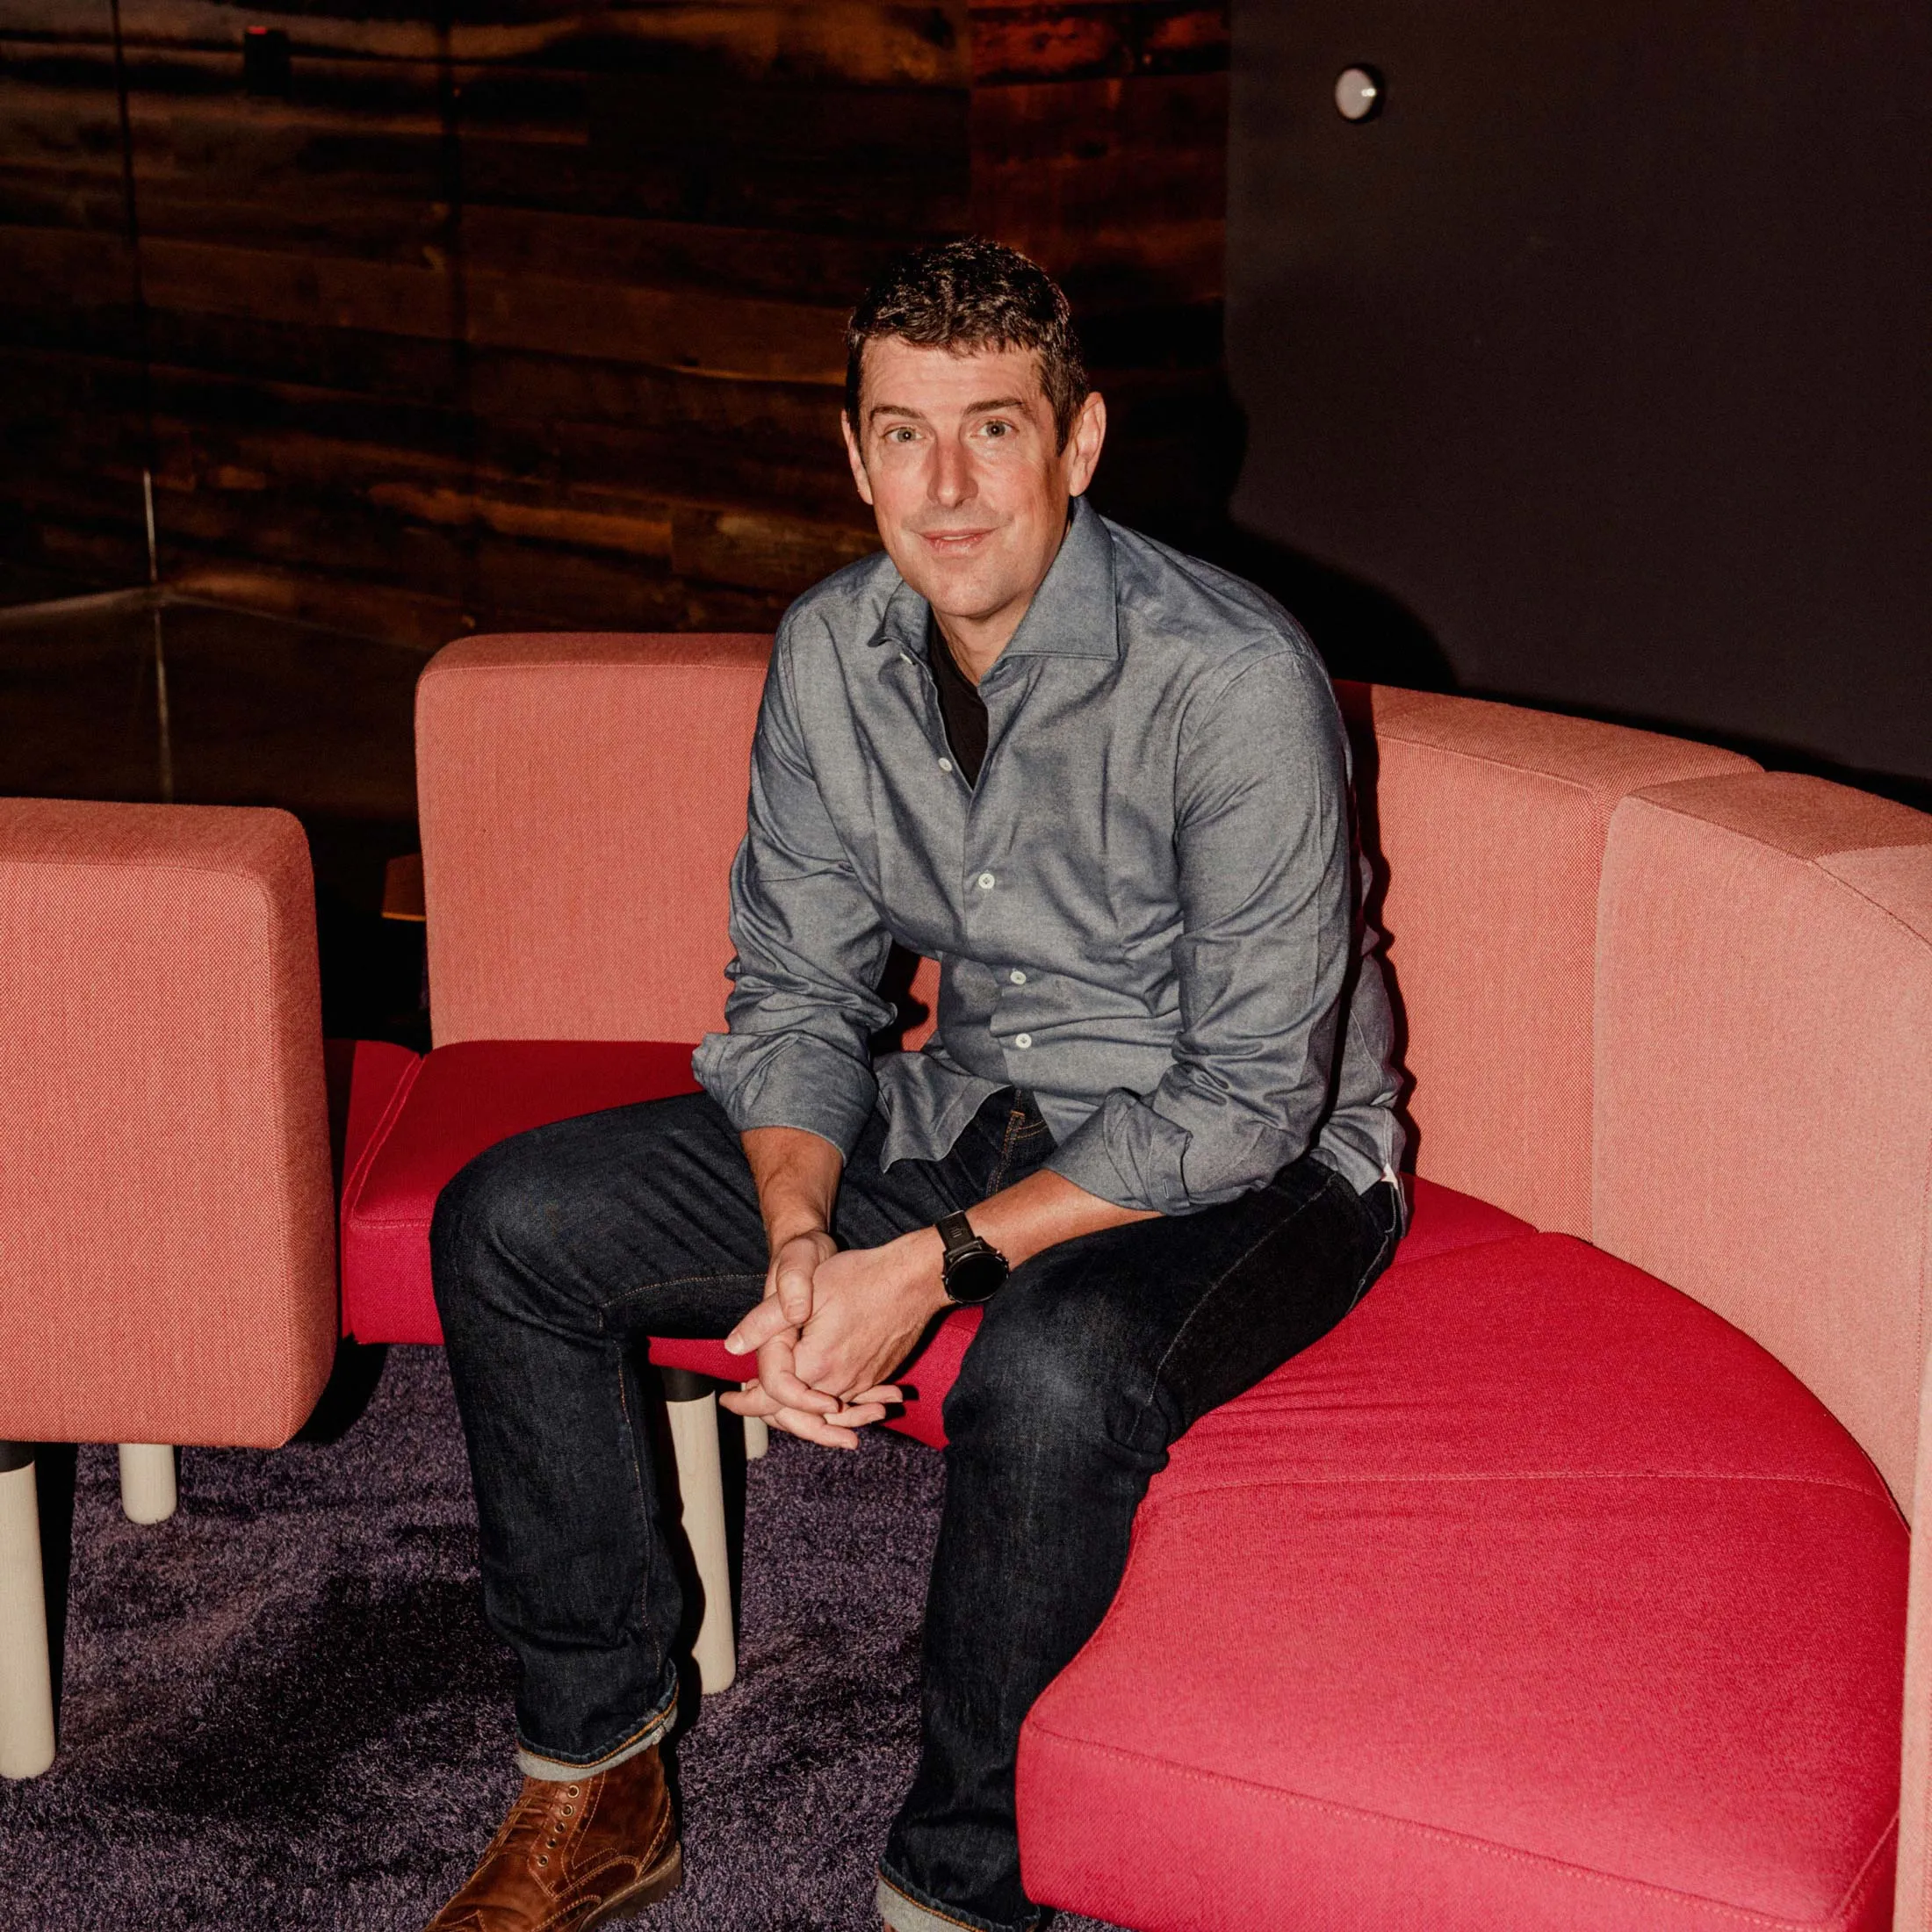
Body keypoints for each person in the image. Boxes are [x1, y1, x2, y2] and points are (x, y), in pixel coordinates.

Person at [424, 238, 1406, 1932]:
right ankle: (600, 1770)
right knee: (514, 1223)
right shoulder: (832, 649)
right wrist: (804, 1237)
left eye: (992, 431)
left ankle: (961, 1884)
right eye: (903, 434)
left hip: (1273, 1165)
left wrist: (931, 1268)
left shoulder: (1229, 678)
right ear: (854, 451)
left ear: (1078, 443)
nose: (945, 490)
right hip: (981, 1101)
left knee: (1050, 1369)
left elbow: (1250, 1095)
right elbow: (801, 993)